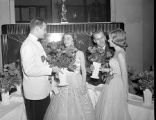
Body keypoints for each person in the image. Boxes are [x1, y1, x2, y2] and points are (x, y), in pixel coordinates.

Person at [44, 33, 96, 120]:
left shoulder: (79, 53)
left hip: (76, 81)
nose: (65, 40)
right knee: (61, 106)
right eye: (64, 38)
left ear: (73, 40)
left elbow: (83, 70)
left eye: (68, 38)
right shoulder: (61, 53)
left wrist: (83, 84)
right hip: (63, 81)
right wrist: (57, 75)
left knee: (78, 105)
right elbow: (59, 68)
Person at [20, 18, 61, 120]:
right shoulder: (28, 45)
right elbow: (29, 70)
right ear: (37, 29)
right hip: (35, 93)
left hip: (42, 90)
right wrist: (50, 70)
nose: (46, 32)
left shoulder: (36, 43)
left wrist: (51, 70)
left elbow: (41, 63)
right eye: (44, 29)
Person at [95, 29, 132, 120]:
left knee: (114, 109)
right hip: (112, 81)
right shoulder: (116, 51)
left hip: (116, 84)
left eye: (110, 39)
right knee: (109, 108)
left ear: (115, 40)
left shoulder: (120, 53)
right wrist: (104, 69)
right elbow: (116, 70)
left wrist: (125, 90)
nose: (108, 40)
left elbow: (124, 73)